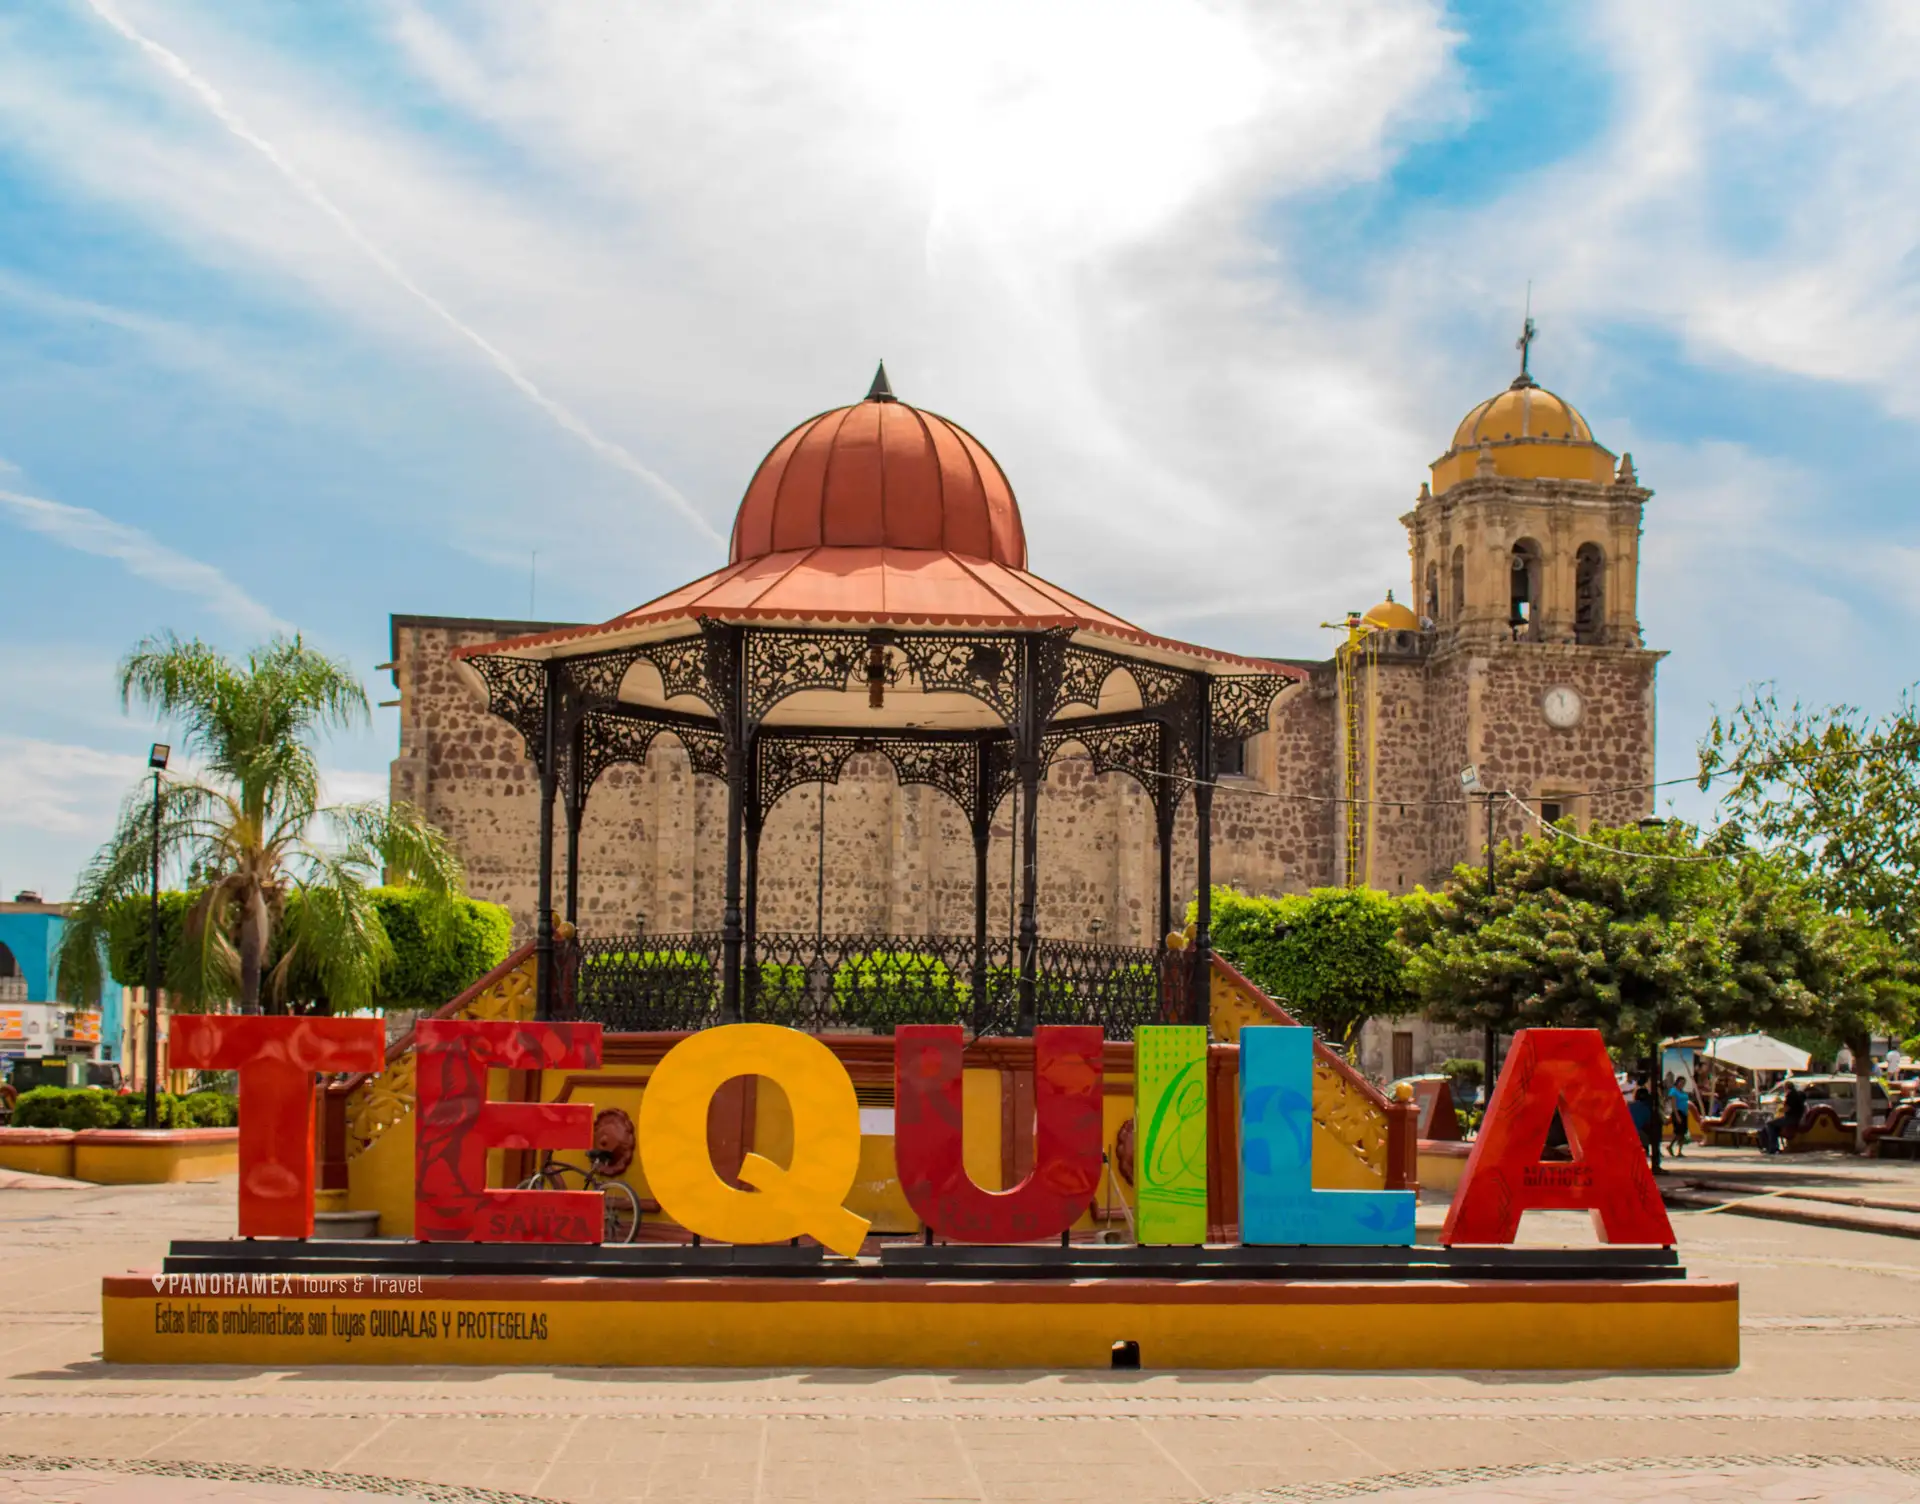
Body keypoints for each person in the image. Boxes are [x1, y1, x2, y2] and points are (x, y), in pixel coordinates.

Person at [1761, 1079, 1807, 1155]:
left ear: (1786, 1087)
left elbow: (1787, 1108)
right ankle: (1774, 1147)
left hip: (1791, 1118)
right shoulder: (1797, 1094)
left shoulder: (1790, 1095)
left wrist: (1780, 1108)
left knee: (1770, 1124)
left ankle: (1773, 1147)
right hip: (1796, 1118)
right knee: (1775, 1127)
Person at [1629, 1086, 1662, 1172]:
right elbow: (1648, 1124)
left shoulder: (1630, 1106)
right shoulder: (1647, 1109)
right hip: (1638, 1134)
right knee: (1655, 1139)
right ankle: (1655, 1164)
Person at [1668, 1076, 1692, 1158]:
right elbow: (1674, 1105)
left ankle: (1680, 1151)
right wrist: (1677, 1116)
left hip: (1684, 1113)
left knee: (1683, 1133)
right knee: (1678, 1132)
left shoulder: (1683, 1092)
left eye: (1684, 1083)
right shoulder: (1673, 1091)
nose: (1682, 1084)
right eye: (1681, 1082)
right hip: (1678, 1112)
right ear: (1677, 1082)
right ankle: (1670, 1145)